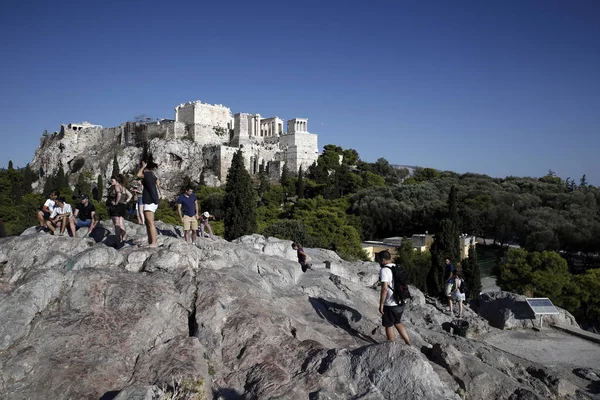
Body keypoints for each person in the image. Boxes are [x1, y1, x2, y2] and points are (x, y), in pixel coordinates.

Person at [377, 250, 411, 344]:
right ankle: (408, 342)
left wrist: (381, 304)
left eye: (379, 260)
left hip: (390, 303)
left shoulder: (384, 270)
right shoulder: (396, 267)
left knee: (388, 325)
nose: (379, 262)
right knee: (397, 322)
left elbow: (384, 288)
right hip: (401, 301)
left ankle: (391, 346)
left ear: (383, 260)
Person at [137, 159, 160, 247]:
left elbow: (138, 175)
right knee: (148, 223)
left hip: (149, 201)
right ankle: (151, 241)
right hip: (153, 200)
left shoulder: (147, 174)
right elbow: (158, 182)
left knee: (150, 223)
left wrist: (143, 167)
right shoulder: (153, 175)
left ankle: (153, 242)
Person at [108, 174, 129, 246]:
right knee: (121, 223)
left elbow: (119, 195)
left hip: (117, 206)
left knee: (116, 224)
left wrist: (115, 203)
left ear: (116, 180)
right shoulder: (123, 187)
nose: (111, 182)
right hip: (122, 206)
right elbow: (129, 195)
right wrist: (126, 201)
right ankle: (124, 238)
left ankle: (118, 242)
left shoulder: (116, 186)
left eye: (112, 180)